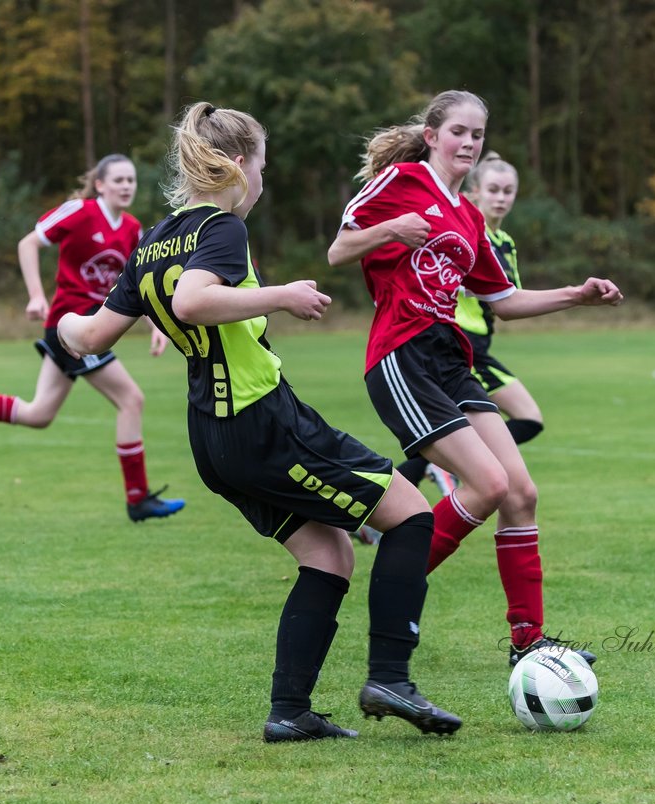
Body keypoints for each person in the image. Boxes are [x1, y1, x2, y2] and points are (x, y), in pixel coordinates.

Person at [57, 102, 461, 743]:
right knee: (410, 513)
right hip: (261, 420)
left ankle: (290, 712)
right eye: (264, 166)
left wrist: (62, 325)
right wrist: (285, 294)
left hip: (212, 438)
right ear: (240, 166)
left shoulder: (153, 241)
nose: (264, 180)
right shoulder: (222, 227)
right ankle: (391, 676)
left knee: (328, 555)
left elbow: (91, 333)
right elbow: (192, 301)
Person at [328, 90, 623, 666]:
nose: (469, 142)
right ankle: (393, 585)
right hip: (401, 354)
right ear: (433, 135)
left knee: (520, 493)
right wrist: (393, 231)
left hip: (450, 359)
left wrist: (578, 296)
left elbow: (504, 301)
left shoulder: (468, 216)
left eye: (478, 135)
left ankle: (528, 642)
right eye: (458, 132)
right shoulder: (402, 182)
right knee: (487, 485)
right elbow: (339, 249)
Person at [0, 155, 185, 522]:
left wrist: (155, 326)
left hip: (91, 327)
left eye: (131, 180)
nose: (126, 186)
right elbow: (28, 244)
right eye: (118, 179)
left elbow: (135, 285)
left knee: (38, 414)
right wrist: (36, 295)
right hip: (71, 325)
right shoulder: (78, 212)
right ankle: (138, 499)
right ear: (99, 184)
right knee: (131, 399)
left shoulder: (133, 229)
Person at [393, 151, 538, 495]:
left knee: (519, 420)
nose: (502, 198)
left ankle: (426, 475)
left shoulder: (505, 242)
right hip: (457, 342)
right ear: (474, 193)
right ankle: (443, 469)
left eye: (508, 191)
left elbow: (506, 294)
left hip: (482, 346)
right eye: (494, 190)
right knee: (520, 419)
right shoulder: (462, 230)